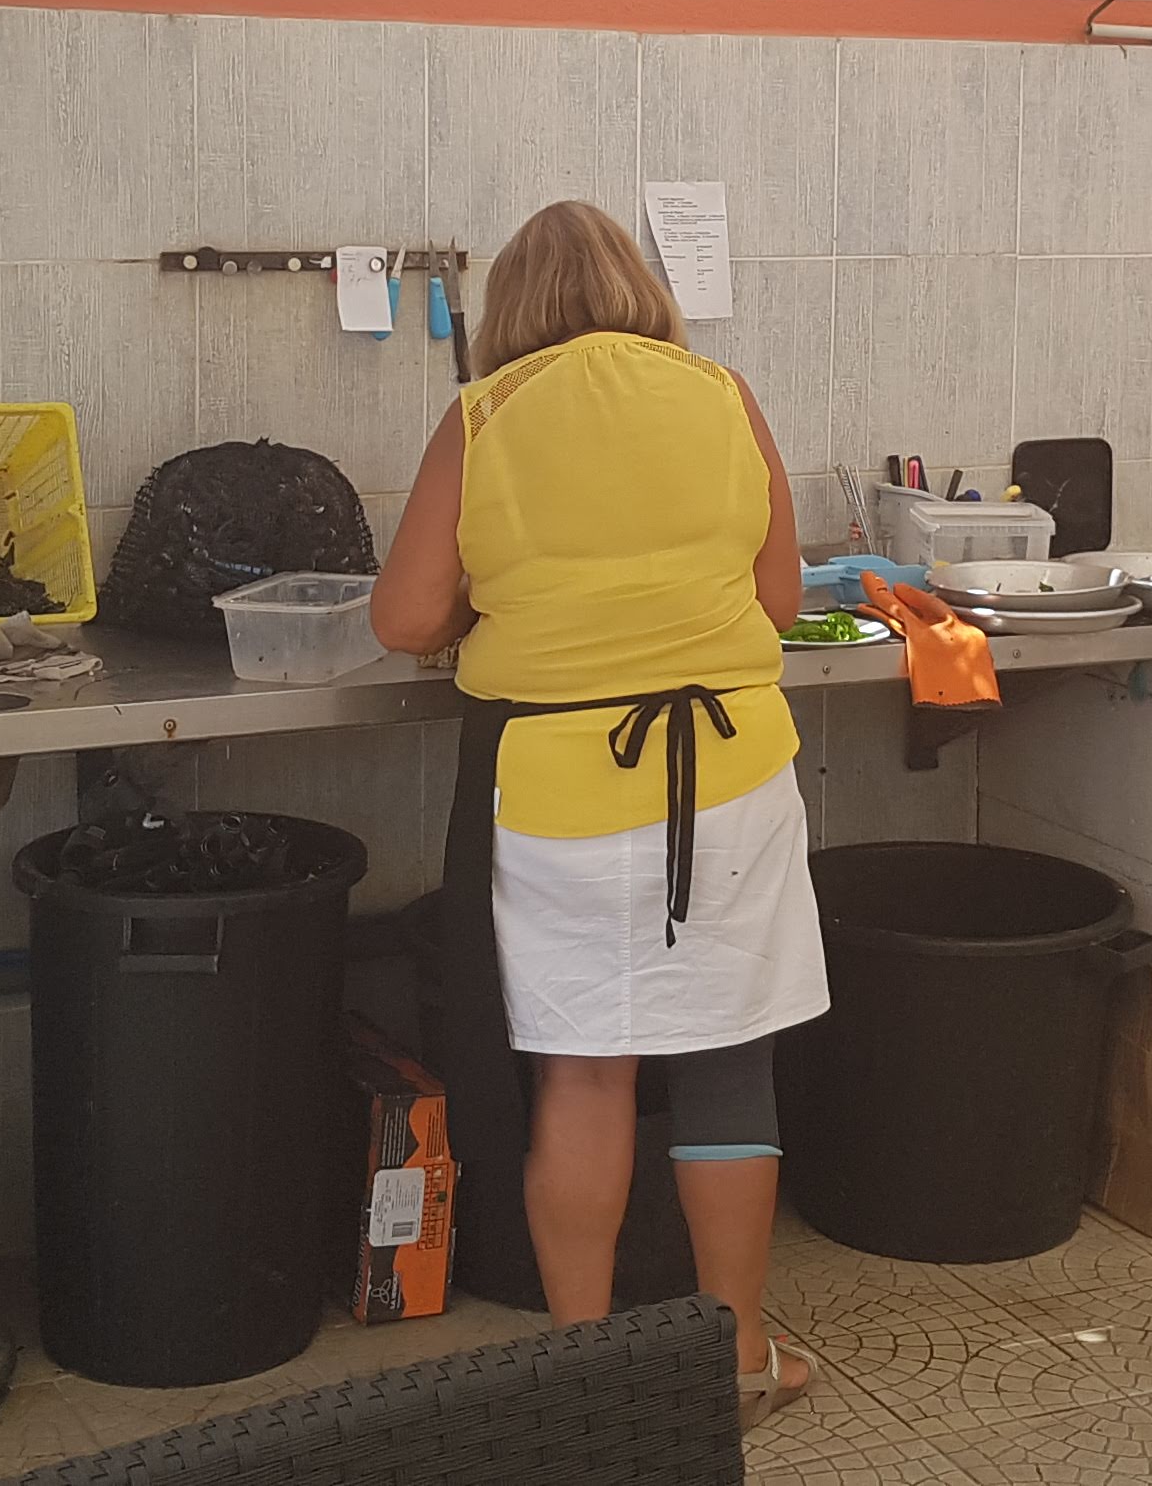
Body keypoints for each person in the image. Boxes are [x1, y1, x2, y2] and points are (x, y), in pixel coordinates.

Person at [369, 199, 825, 1429]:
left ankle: (589, 1377)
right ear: (642, 292)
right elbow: (779, 600)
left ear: (509, 310)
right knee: (730, 1064)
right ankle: (738, 1363)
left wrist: (494, 608)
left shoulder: (485, 414)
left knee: (585, 1072)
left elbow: (404, 619)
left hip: (565, 791)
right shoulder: (723, 395)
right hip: (731, 776)